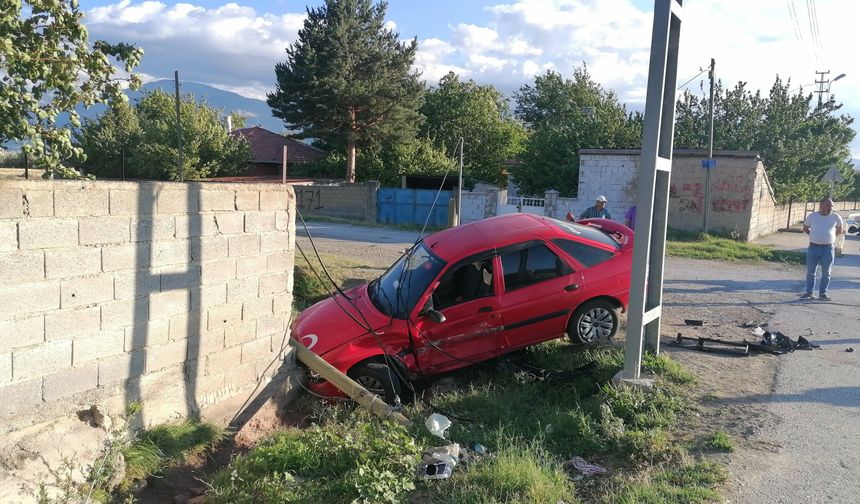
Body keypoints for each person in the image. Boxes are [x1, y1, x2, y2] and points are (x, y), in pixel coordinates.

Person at [801, 197, 843, 301]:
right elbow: (805, 228)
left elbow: (840, 229)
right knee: (811, 272)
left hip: (828, 249)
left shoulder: (836, 217)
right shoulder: (812, 216)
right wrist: (814, 236)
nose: (830, 207)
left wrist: (830, 237)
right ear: (821, 206)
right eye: (828, 205)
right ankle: (809, 292)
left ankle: (823, 293)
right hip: (813, 247)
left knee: (826, 273)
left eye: (831, 206)